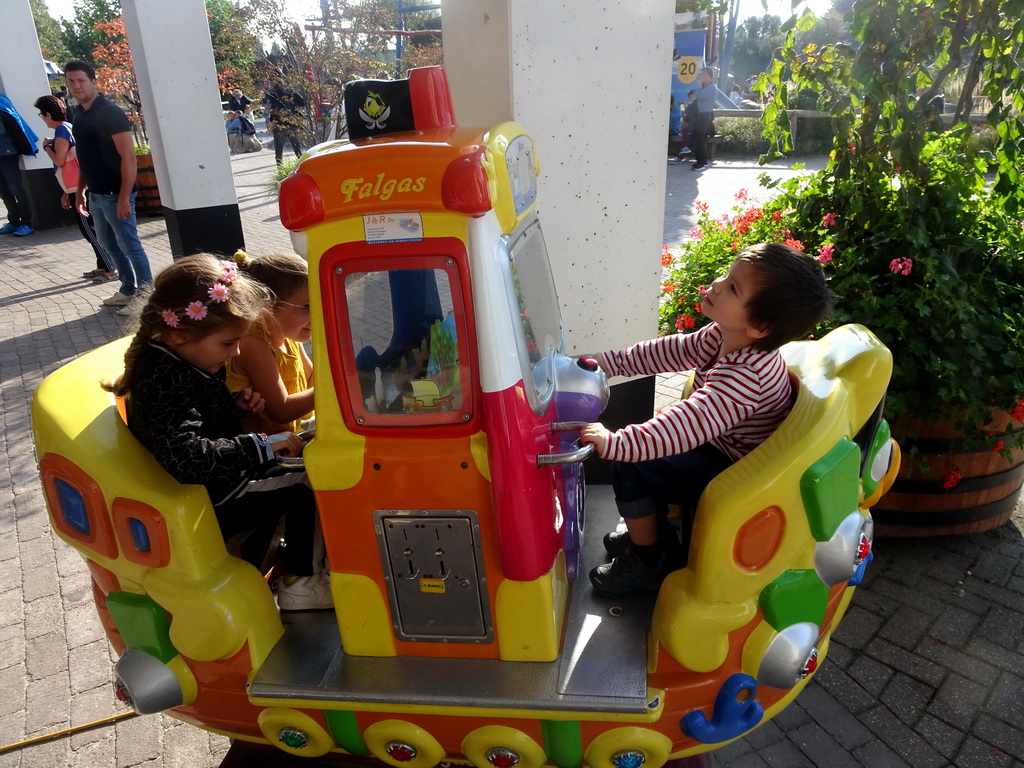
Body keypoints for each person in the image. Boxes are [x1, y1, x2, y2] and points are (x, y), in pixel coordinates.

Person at [580, 243, 833, 596]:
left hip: (735, 473)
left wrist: (616, 442)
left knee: (632, 464)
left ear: (759, 325)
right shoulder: (724, 336)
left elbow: (685, 427)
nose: (716, 283)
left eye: (732, 287)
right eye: (727, 275)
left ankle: (650, 559)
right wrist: (608, 363)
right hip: (719, 446)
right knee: (645, 453)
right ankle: (654, 530)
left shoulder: (747, 377)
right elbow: (669, 351)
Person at [102, 254, 332, 610]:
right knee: (308, 483)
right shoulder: (165, 378)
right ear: (180, 332)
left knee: (308, 462)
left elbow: (194, 413)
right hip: (212, 495)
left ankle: (298, 568)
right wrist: (259, 446)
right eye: (228, 345)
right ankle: (303, 583)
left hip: (220, 481)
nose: (236, 352)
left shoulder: (174, 361)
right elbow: (184, 456)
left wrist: (234, 402)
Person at [63, 59, 153, 314]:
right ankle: (127, 289)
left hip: (116, 194)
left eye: (81, 80)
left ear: (94, 82)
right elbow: (85, 156)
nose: (76, 86)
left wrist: (125, 197)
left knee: (129, 245)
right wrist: (80, 190)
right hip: (96, 194)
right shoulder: (79, 114)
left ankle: (146, 296)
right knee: (107, 242)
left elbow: (129, 157)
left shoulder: (110, 113)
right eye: (71, 81)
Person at [225, 251, 314, 435]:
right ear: (267, 305)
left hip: (295, 437)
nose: (317, 314)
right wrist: (337, 389)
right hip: (268, 454)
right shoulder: (254, 344)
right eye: (306, 307)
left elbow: (312, 377)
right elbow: (282, 411)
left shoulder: (288, 334)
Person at [34, 94, 117, 283]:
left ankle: (110, 268)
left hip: (78, 186)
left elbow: (60, 160)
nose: (42, 118)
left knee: (89, 229)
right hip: (76, 185)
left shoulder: (61, 131)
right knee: (92, 227)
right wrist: (65, 191)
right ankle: (103, 265)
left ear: (48, 114)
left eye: (41, 114)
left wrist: (47, 146)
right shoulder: (69, 127)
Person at [0, 93, 39, 237]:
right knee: (4, 192)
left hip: (7, 154)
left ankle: (26, 223)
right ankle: (14, 221)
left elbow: (4, 130)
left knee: (16, 190)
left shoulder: (2, 102)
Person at [262, 75, 305, 166]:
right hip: (293, 121)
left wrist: (272, 123)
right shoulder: (291, 91)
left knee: (279, 150)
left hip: (280, 123)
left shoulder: (274, 93)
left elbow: (273, 109)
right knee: (297, 148)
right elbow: (302, 102)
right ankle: (302, 166)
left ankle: (280, 168)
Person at [691, 66, 717, 171]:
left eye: (702, 75)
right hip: (701, 115)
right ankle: (701, 161)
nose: (700, 77)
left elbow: (697, 96)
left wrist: (698, 87)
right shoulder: (704, 87)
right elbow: (693, 96)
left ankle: (701, 162)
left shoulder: (711, 87)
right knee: (697, 138)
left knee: (699, 139)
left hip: (705, 115)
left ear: (707, 76)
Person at [669, 89, 697, 164]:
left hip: (697, 128)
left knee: (686, 133)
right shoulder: (691, 106)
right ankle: (681, 154)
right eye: (690, 98)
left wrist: (668, 113)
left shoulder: (676, 108)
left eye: (693, 98)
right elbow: (687, 118)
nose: (692, 100)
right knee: (685, 131)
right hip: (691, 128)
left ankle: (681, 155)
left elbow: (678, 116)